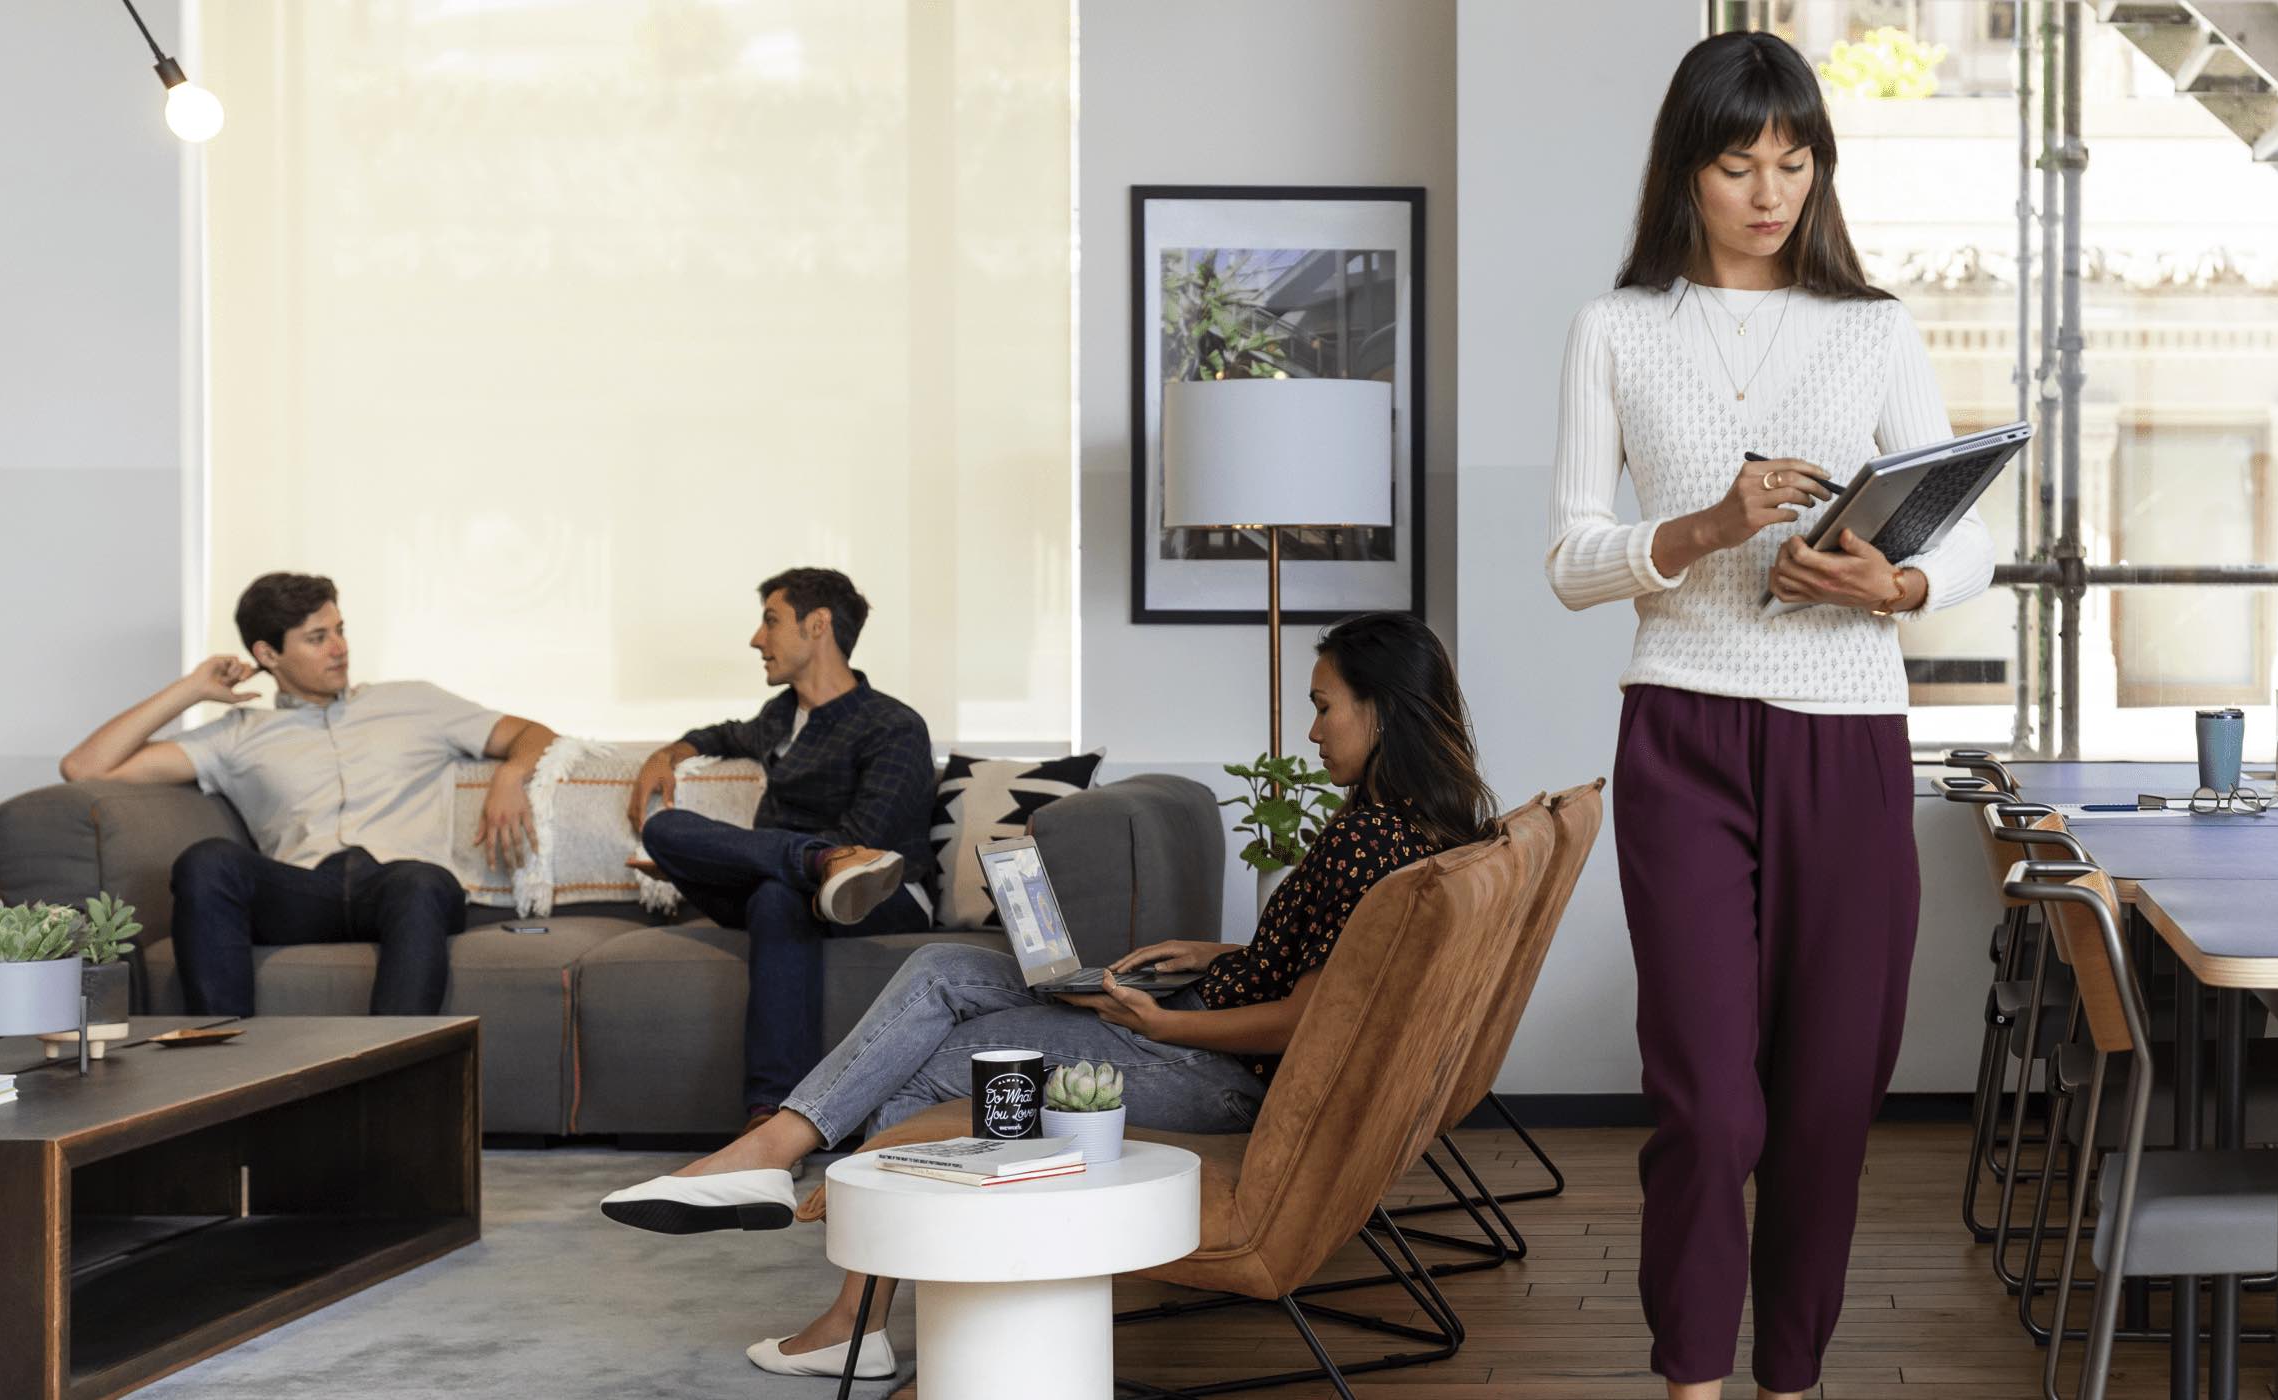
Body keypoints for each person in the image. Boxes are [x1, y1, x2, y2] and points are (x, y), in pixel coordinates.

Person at [596, 612, 1492, 1384]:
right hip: (1199, 1029)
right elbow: (1326, 966)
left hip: (1218, 1070)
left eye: (1323, 706)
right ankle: (775, 1156)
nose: (1312, 730)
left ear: (1381, 710)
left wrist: (1167, 1018)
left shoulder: (1371, 840)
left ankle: (847, 1313)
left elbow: (1309, 1018)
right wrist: (1217, 953)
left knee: (946, 1062)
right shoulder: (1404, 829)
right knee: (949, 967)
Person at [1545, 33, 1995, 1400]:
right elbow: (1572, 561)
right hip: (1681, 732)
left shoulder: (1876, 328)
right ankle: (1692, 1380)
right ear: (1689, 166)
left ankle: (1790, 1380)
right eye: (1741, 161)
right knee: (1705, 1100)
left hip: (1847, 734)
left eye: (1795, 163)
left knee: (1826, 1101)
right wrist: (1708, 524)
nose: (1769, 190)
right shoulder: (1617, 329)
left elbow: (1966, 541)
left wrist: (1894, 578)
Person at [59, 571, 556, 1017]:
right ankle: (224, 1066)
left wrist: (511, 777)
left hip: (403, 887)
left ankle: (389, 1074)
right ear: (267, 654)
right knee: (206, 860)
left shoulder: (414, 701)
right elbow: (84, 767)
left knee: (420, 883)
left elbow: (533, 734)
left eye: (339, 631)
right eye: (317, 638)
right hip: (303, 890)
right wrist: (191, 689)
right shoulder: (238, 734)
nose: (338, 648)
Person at [626, 568, 941, 1122]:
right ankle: (810, 861)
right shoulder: (781, 715)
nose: (756, 639)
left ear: (817, 625)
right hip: (793, 879)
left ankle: (771, 1114)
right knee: (664, 832)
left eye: (770, 621)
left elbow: (865, 846)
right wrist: (667, 754)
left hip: (879, 893)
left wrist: (730, 860)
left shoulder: (893, 726)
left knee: (778, 894)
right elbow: (725, 735)